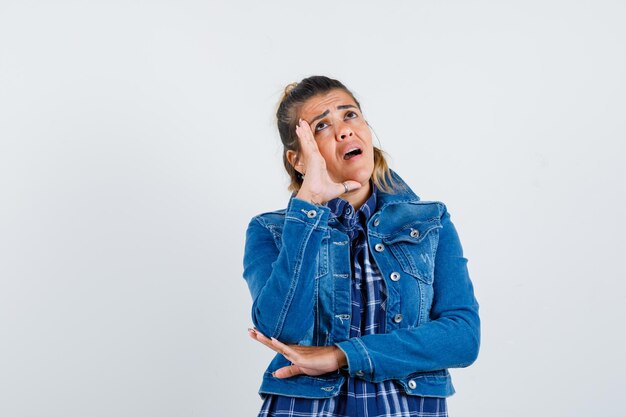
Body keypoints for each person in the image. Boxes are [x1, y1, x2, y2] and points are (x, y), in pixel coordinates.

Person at [243, 75, 480, 417]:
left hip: (405, 408)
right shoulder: (271, 230)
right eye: (322, 125)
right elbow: (282, 330)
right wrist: (308, 205)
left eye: (350, 114)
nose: (343, 130)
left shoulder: (430, 221)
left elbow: (463, 336)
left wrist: (343, 355)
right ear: (297, 159)